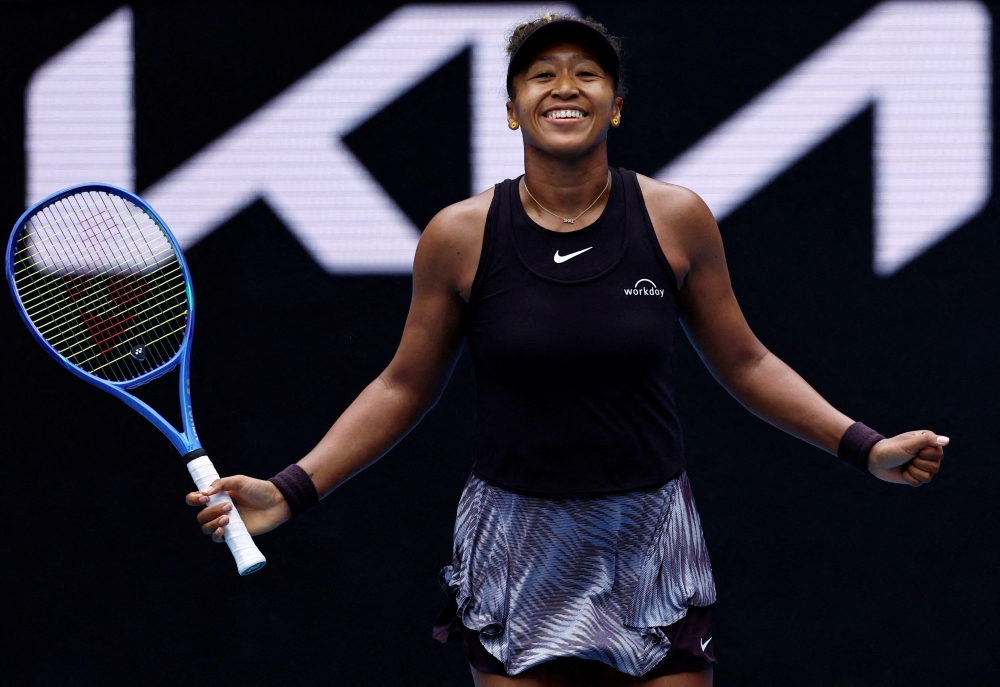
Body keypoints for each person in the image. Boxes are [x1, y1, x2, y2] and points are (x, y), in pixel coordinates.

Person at [186, 14, 948, 686]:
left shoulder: (677, 218)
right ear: (513, 110)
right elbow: (402, 386)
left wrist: (865, 446)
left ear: (616, 105)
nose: (566, 86)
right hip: (515, 543)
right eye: (541, 74)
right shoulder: (458, 235)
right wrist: (291, 488)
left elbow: (746, 361)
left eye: (589, 73)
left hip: (650, 539)